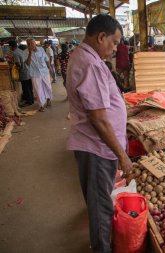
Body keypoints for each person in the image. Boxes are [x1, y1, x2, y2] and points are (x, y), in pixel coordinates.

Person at [66, 14, 132, 253]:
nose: (115, 49)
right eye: (114, 42)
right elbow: (99, 119)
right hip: (96, 147)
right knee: (101, 206)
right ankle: (102, 249)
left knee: (99, 201)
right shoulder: (91, 64)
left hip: (95, 146)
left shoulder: (85, 57)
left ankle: (101, 243)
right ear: (101, 37)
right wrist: (122, 156)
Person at [26, 38, 53, 112]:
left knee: (48, 87)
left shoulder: (41, 49)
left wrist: (50, 68)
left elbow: (46, 59)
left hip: (44, 72)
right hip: (35, 74)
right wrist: (30, 53)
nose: (31, 45)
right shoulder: (26, 52)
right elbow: (27, 63)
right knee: (38, 90)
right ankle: (41, 105)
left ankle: (48, 100)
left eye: (33, 43)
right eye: (29, 44)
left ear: (35, 43)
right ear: (28, 45)